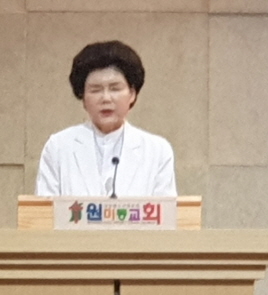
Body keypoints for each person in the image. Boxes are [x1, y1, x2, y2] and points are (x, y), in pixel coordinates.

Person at [36, 40, 176, 197]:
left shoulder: (157, 150)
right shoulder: (59, 146)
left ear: (132, 94)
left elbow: (166, 209)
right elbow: (43, 207)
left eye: (115, 89)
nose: (106, 98)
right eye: (95, 90)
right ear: (83, 97)